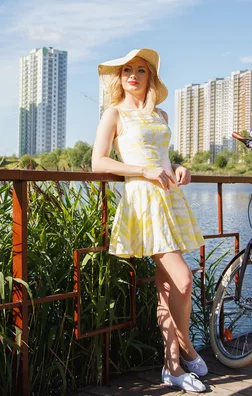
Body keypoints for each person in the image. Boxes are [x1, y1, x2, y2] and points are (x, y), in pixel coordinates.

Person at [91, 49, 207, 393]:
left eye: (140, 70)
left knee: (168, 286)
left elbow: (164, 160)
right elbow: (98, 162)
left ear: (150, 77)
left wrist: (179, 168)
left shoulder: (161, 115)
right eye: (127, 69)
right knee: (183, 279)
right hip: (142, 202)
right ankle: (187, 348)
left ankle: (172, 367)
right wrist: (142, 170)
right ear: (120, 77)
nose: (132, 75)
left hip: (169, 198)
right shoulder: (114, 113)